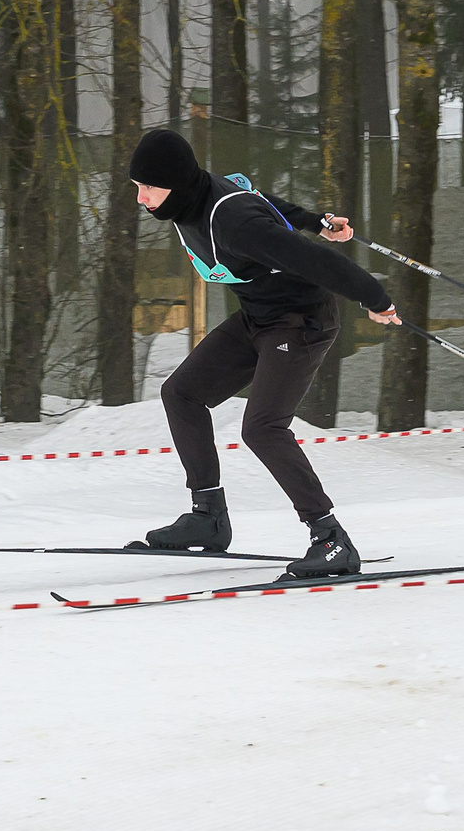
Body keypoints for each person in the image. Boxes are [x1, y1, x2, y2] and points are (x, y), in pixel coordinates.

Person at [126, 127, 401, 578]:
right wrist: (316, 219)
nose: (141, 198)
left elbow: (315, 260)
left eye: (148, 187)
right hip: (259, 317)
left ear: (176, 181)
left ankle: (331, 539)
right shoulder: (191, 198)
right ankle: (208, 516)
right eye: (138, 186)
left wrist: (375, 298)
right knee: (181, 394)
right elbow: (262, 201)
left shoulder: (232, 222)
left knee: (262, 428)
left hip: (301, 321)